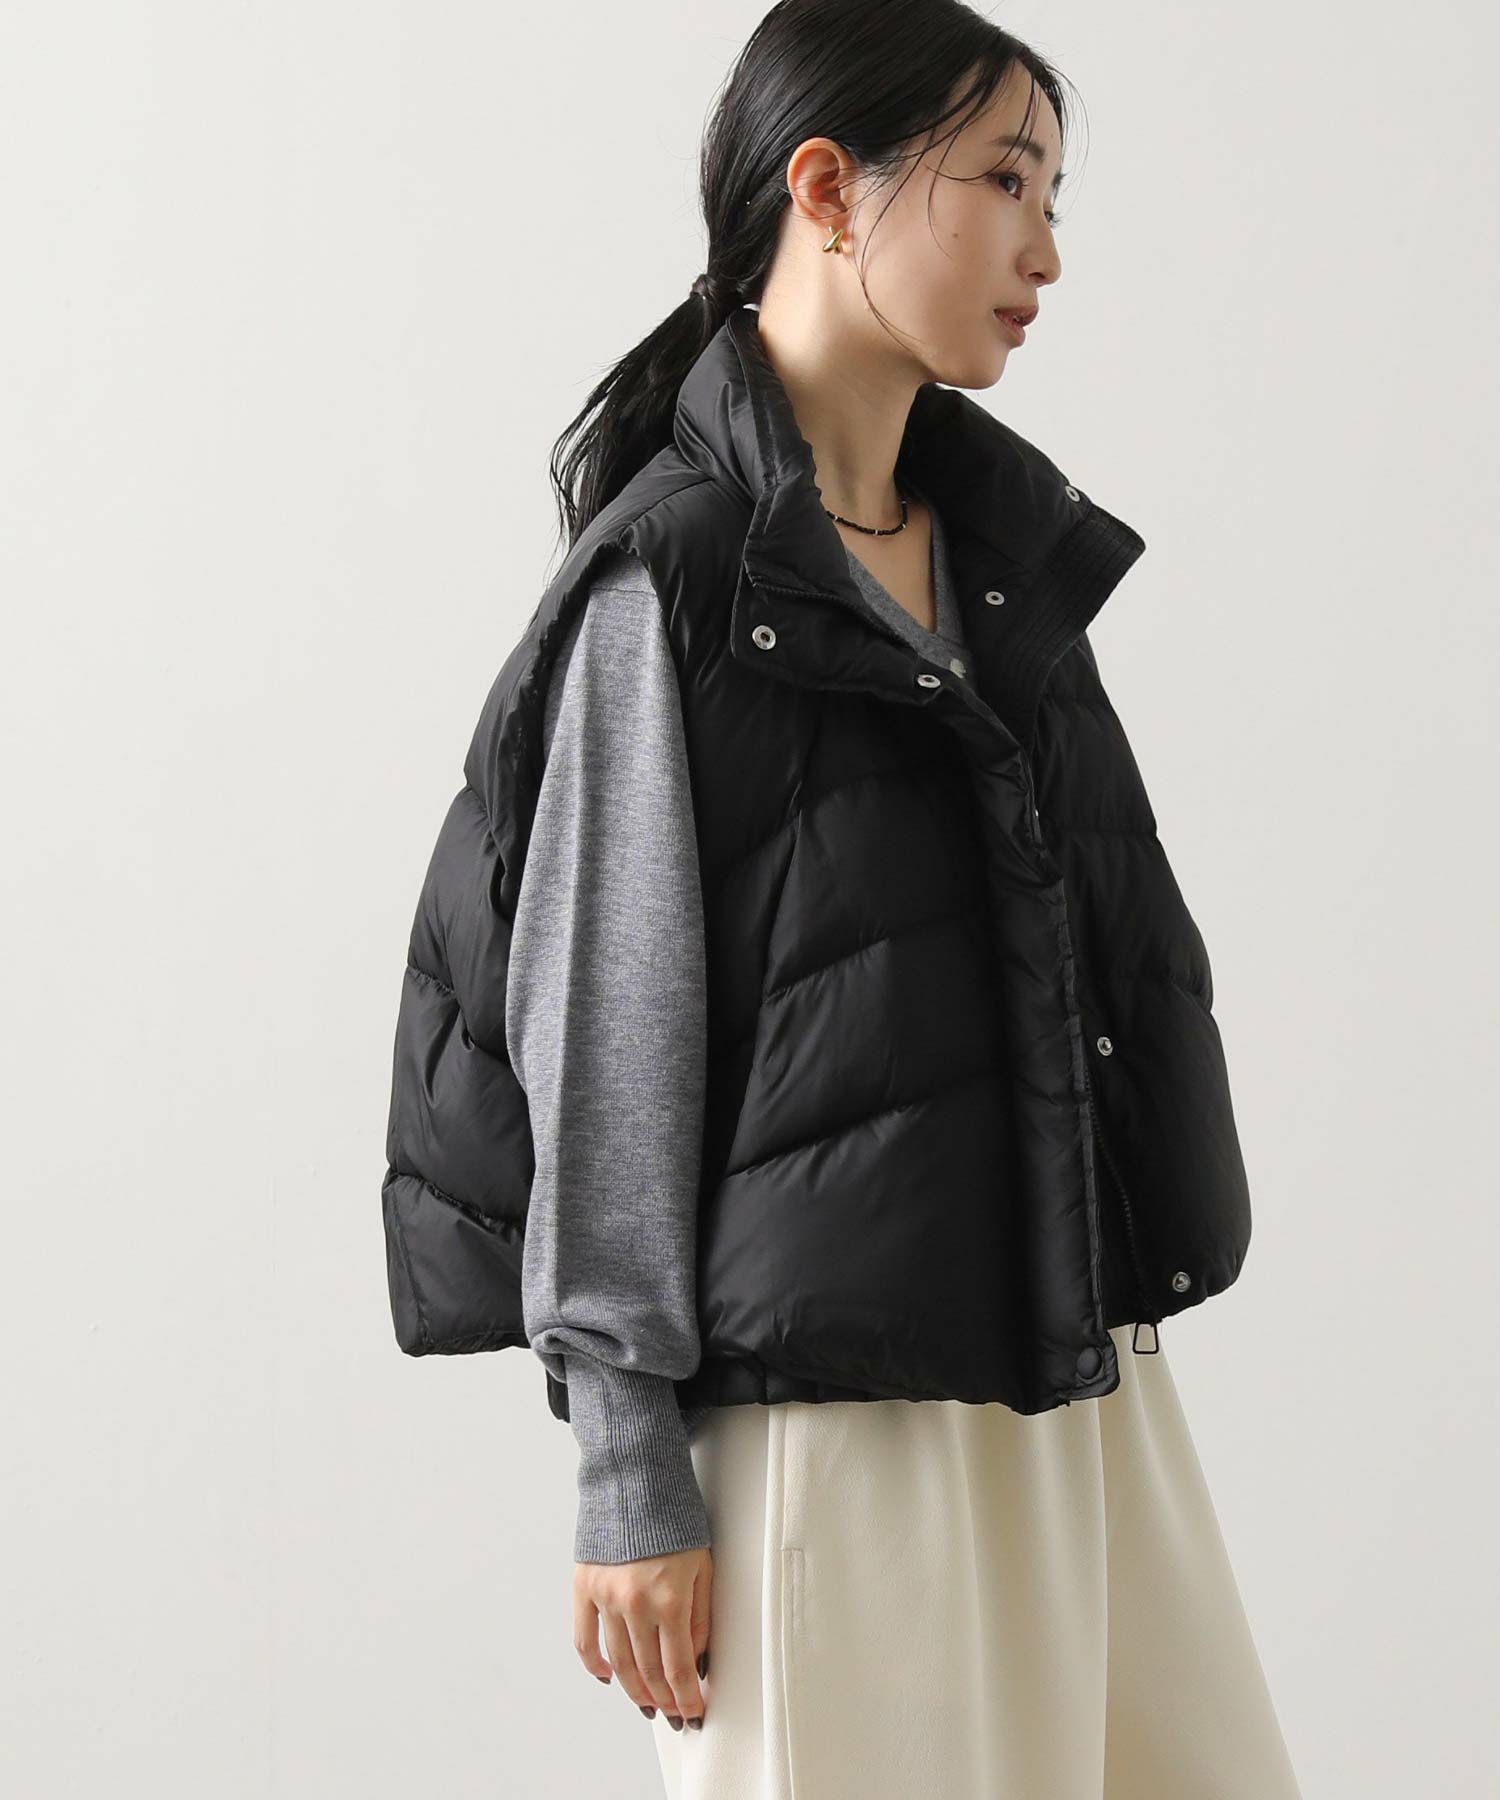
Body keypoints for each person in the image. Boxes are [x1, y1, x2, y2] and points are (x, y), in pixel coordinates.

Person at [381, 1, 1303, 1792]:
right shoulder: (674, 584)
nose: (1047, 251)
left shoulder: (1004, 566)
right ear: (826, 187)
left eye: (1054, 195)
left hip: (1071, 1380)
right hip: (831, 1435)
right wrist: (629, 1466)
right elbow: (608, 1046)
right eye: (1005, 182)